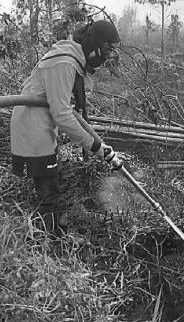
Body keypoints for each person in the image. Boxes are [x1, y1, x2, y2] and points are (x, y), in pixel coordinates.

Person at [10, 19, 120, 234]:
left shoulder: (73, 60)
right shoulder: (65, 63)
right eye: (106, 49)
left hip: (41, 129)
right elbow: (61, 113)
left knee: (54, 185)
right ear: (95, 43)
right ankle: (46, 246)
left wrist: (100, 146)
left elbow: (71, 113)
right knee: (49, 193)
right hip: (33, 130)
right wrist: (95, 147)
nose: (106, 57)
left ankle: (57, 238)